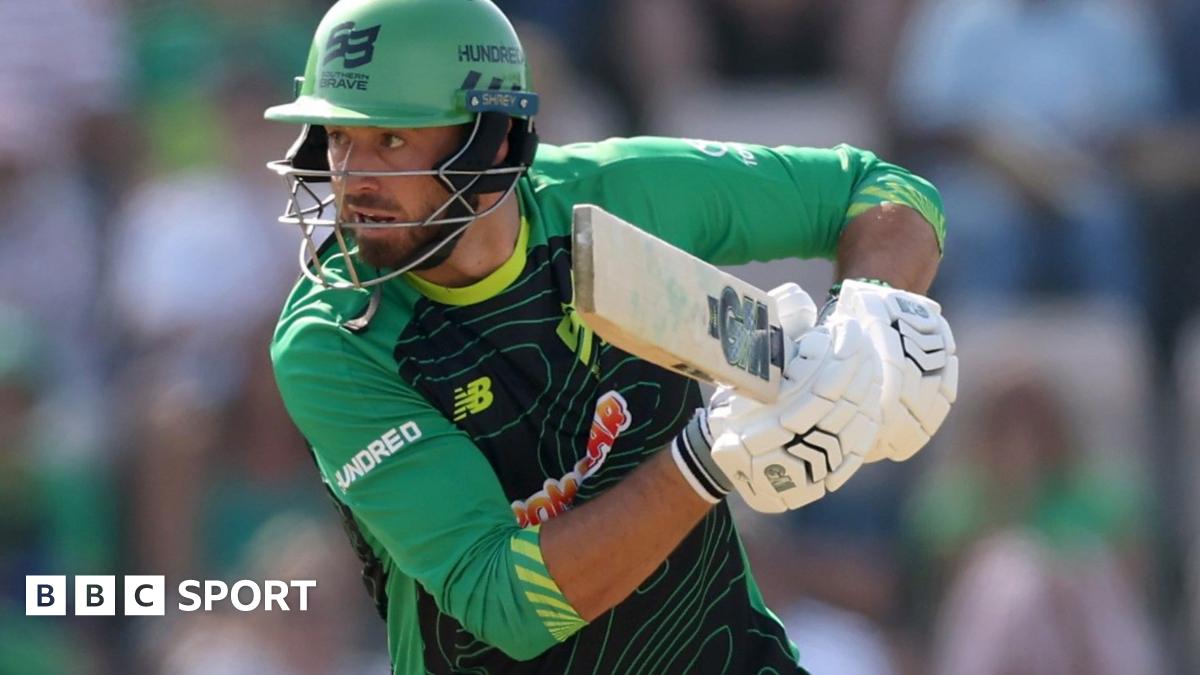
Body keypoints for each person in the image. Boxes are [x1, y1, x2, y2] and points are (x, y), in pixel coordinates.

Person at [263, 0, 957, 672]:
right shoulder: (335, 339)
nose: (351, 179)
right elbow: (507, 605)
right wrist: (709, 459)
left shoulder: (614, 197)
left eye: (390, 140)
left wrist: (866, 314)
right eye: (339, 139)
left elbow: (881, 190)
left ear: (492, 137)